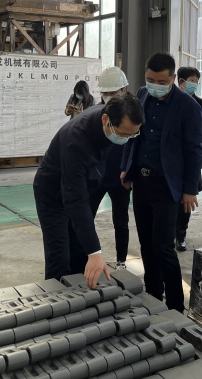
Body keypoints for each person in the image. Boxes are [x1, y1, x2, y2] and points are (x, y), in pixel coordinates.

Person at [35, 94, 145, 289]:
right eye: (123, 134)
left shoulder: (109, 121)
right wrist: (95, 252)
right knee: (59, 255)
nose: (125, 140)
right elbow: (74, 198)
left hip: (80, 187)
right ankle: (57, 300)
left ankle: (81, 298)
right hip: (53, 195)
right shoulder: (77, 139)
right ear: (106, 120)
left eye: (132, 135)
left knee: (80, 250)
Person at [121, 52, 202, 312]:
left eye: (161, 82)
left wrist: (189, 189)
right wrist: (126, 169)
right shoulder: (142, 94)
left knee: (164, 247)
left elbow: (194, 150)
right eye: (150, 80)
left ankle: (176, 305)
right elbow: (133, 134)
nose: (154, 85)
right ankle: (153, 295)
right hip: (142, 181)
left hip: (167, 185)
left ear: (173, 79)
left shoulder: (188, 106)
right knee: (146, 244)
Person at [89, 66, 131, 270]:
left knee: (121, 221)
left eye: (113, 92)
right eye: (105, 93)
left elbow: (135, 146)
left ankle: (121, 261)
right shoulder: (97, 113)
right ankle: (86, 256)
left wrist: (129, 171)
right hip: (97, 176)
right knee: (86, 217)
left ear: (124, 90)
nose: (109, 97)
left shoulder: (132, 113)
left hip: (120, 176)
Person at [174, 66, 202, 251]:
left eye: (196, 81)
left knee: (187, 199)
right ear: (180, 81)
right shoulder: (171, 101)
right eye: (191, 80)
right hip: (172, 160)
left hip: (191, 159)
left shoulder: (200, 104)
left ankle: (181, 233)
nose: (194, 84)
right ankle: (171, 231)